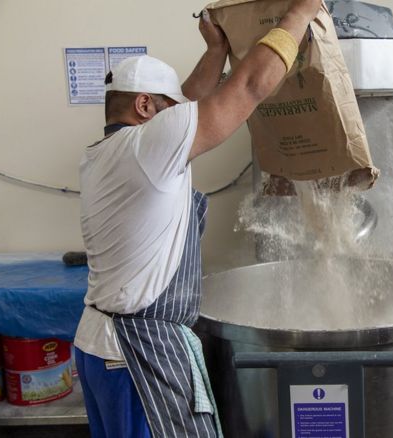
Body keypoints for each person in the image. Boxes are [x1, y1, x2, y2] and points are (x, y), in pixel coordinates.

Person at [73, 1, 322, 437]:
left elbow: (190, 102)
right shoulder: (148, 146)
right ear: (146, 106)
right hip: (136, 355)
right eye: (170, 107)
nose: (183, 116)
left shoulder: (107, 154)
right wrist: (299, 14)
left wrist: (216, 49)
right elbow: (247, 87)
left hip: (103, 349)